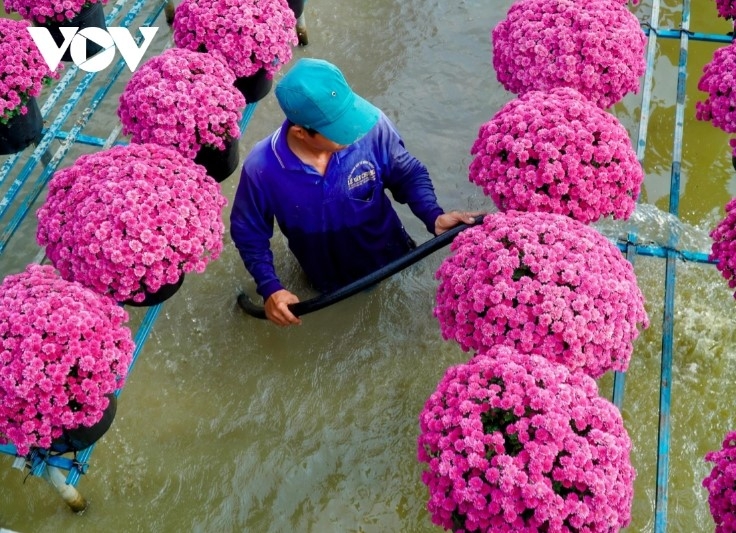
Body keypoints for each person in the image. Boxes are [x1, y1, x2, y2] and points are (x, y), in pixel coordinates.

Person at [230, 58, 476, 326]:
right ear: (301, 133)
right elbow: (249, 233)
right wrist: (271, 288)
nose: (355, 133)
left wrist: (433, 215)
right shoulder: (262, 167)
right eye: (340, 130)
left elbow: (407, 173)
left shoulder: (372, 125)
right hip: (327, 284)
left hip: (396, 257)